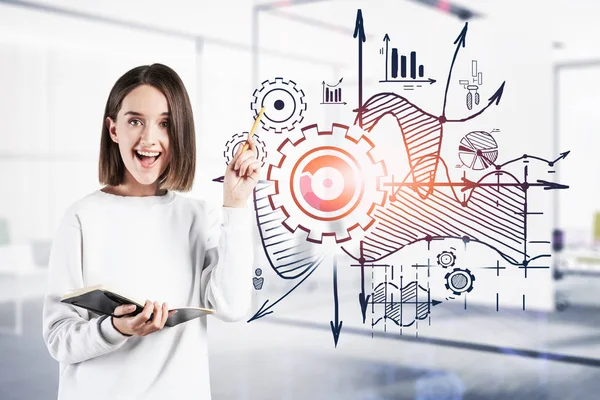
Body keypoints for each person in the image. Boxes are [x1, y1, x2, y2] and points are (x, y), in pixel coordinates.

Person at [41, 63, 261, 399]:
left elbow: (232, 306)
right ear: (113, 130)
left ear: (180, 133)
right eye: (134, 121)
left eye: (165, 124)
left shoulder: (198, 216)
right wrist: (115, 328)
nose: (149, 139)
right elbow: (58, 339)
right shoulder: (82, 218)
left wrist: (236, 203)